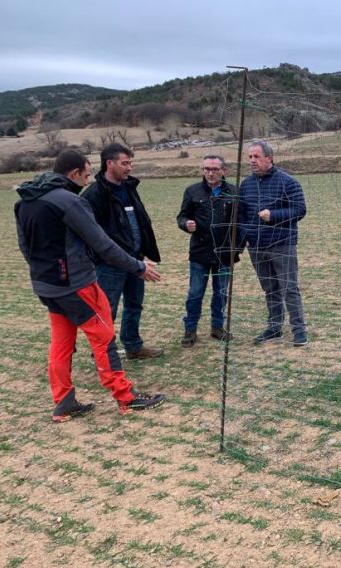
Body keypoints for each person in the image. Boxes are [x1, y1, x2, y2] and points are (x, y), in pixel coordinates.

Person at [15, 149, 165, 421]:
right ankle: (125, 397)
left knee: (61, 344)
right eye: (85, 175)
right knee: (104, 337)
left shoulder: (26, 201)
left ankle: (64, 402)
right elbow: (104, 245)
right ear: (73, 173)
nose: (87, 180)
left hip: (47, 286)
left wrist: (46, 272)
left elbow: (25, 247)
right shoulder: (70, 202)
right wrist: (138, 266)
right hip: (78, 286)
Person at [82, 143, 163, 360]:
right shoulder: (93, 196)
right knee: (107, 309)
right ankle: (102, 352)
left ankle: (134, 347)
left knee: (134, 304)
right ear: (109, 163)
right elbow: (93, 236)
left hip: (136, 260)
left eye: (130, 163)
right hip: (110, 265)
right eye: (125, 163)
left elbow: (140, 222)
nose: (129, 167)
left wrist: (143, 250)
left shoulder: (129, 188)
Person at [238, 140, 308, 346]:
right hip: (256, 247)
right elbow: (242, 215)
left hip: (282, 244)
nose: (252, 160)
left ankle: (299, 330)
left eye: (256, 156)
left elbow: (299, 210)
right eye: (250, 157)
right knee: (270, 288)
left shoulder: (288, 182)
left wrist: (273, 215)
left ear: (269, 158)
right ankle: (274, 327)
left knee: (289, 288)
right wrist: (246, 239)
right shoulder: (246, 184)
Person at [176, 155, 239, 347]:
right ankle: (190, 330)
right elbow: (182, 216)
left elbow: (239, 222)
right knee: (195, 293)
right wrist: (186, 224)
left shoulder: (234, 192)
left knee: (221, 293)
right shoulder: (192, 191)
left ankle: (217, 327)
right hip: (200, 253)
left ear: (224, 170)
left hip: (225, 254)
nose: (210, 173)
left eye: (214, 169)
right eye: (206, 169)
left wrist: (238, 248)